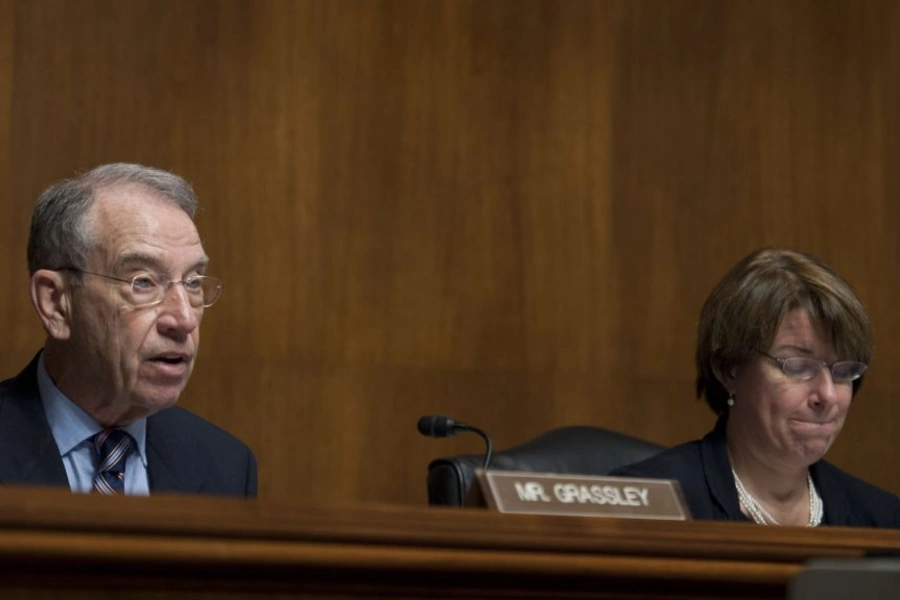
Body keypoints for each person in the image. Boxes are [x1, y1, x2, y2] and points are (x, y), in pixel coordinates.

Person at [0, 163, 257, 497]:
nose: (183, 320)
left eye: (193, 283)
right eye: (143, 283)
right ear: (56, 302)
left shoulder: (226, 467)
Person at [612, 248, 900, 527]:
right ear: (729, 369)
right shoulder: (644, 506)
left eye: (843, 371)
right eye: (797, 366)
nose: (826, 395)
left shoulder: (883, 521)